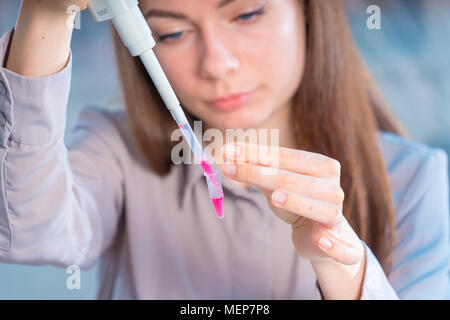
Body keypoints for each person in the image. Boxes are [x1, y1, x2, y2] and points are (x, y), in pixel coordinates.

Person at [0, 0, 448, 300]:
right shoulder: (115, 150)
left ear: (309, 12)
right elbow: (25, 232)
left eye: (247, 14)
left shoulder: (415, 180)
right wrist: (44, 13)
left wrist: (345, 271)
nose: (217, 64)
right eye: (172, 33)